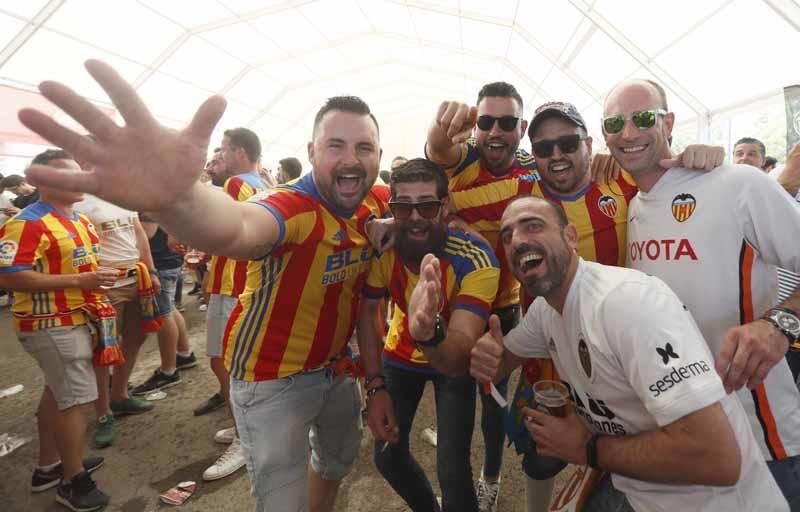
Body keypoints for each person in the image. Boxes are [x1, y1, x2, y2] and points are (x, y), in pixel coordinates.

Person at [18, 60, 389, 511]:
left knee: (334, 463)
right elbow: (237, 227)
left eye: (364, 147)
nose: (351, 158)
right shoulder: (292, 206)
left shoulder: (376, 199)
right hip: (272, 381)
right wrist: (178, 200)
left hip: (336, 372)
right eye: (337, 145)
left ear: (379, 156)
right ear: (311, 151)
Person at [459, 196, 788, 511]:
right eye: (507, 235)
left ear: (570, 236)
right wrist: (479, 352)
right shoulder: (546, 312)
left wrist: (587, 448)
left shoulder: (626, 303)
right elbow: (499, 365)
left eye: (532, 226)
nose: (517, 240)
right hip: (634, 487)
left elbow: (718, 457)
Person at [605, 79, 800, 508]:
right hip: (684, 440)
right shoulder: (632, 206)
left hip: (761, 436)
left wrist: (780, 325)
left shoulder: (737, 183)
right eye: (615, 123)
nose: (629, 133)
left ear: (669, 122)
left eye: (643, 118)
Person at [359, 158, 499, 511]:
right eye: (404, 207)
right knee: (387, 455)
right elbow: (368, 314)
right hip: (400, 356)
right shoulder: (383, 248)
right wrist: (374, 385)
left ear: (445, 206)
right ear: (392, 209)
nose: (417, 216)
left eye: (428, 205)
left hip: (449, 356)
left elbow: (458, 353)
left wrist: (428, 332)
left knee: (452, 469)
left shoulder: (475, 256)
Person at [0, 149, 109, 511]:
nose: (79, 180)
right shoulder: (28, 222)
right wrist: (83, 279)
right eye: (68, 175)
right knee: (76, 399)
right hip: (50, 324)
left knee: (58, 391)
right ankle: (72, 481)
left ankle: (49, 466)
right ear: (43, 182)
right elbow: (8, 274)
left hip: (75, 320)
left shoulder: (78, 218)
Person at [73, 153, 159, 449]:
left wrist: (151, 269)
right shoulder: (76, 200)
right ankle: (102, 413)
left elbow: (139, 234)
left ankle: (119, 395)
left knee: (136, 337)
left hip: (137, 279)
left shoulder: (121, 193)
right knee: (102, 349)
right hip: (105, 287)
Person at [197, 127, 268, 482]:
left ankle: (244, 437)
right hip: (245, 284)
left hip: (232, 286)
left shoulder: (237, 185)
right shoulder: (262, 184)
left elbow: (220, 231)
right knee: (234, 361)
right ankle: (243, 424)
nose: (219, 156)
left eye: (223, 150)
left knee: (222, 362)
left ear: (240, 152)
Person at [130, 214, 196, 397]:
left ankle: (168, 371)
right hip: (168, 260)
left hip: (159, 263)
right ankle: (184, 354)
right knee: (170, 309)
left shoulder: (145, 197)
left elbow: (147, 232)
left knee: (163, 314)